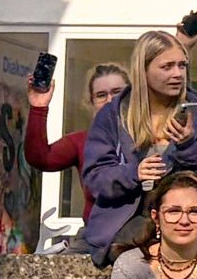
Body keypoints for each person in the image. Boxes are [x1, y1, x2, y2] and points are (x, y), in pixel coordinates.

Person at [82, 32, 197, 266]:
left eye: (182, 65)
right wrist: (133, 174)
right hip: (126, 226)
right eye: (167, 66)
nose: (177, 73)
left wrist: (188, 147)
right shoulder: (112, 115)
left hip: (186, 224)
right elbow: (95, 179)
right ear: (143, 70)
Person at [26, 60, 126, 222]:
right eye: (101, 95)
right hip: (97, 238)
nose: (110, 100)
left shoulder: (149, 135)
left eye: (117, 92)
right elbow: (41, 158)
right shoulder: (82, 142)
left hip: (143, 237)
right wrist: (39, 107)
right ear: (91, 102)